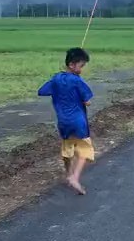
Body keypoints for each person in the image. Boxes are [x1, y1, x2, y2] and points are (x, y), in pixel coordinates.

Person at [38, 47, 94, 195]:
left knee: (67, 149)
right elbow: (87, 101)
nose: (82, 69)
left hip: (63, 122)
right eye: (81, 66)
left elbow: (42, 91)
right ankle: (75, 177)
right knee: (84, 151)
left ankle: (68, 174)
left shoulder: (56, 79)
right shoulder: (77, 81)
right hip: (78, 122)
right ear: (72, 65)